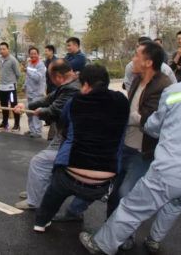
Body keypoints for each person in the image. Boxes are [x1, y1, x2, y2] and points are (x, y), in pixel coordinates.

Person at [81, 64, 181, 255]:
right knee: (175, 205)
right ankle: (154, 240)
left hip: (171, 170)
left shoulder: (176, 91)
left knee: (133, 207)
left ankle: (101, 244)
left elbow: (153, 127)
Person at [58, 41, 173, 250]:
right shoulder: (138, 79)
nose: (133, 59)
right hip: (123, 144)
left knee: (124, 194)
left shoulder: (163, 85)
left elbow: (148, 118)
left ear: (148, 62)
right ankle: (81, 215)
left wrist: (118, 115)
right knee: (107, 186)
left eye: (137, 55)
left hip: (142, 151)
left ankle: (121, 236)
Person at [32, 65, 130, 233]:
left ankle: (41, 221)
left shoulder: (75, 102)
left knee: (54, 190)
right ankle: (112, 231)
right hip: (105, 182)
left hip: (71, 176)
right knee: (110, 186)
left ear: (85, 85)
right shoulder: (122, 102)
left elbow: (63, 120)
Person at [12, 59, 80, 210]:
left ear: (58, 76)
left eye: (51, 77)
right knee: (47, 163)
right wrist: (27, 106)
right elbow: (48, 99)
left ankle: (34, 200)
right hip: (64, 134)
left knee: (39, 162)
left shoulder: (72, 88)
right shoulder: (70, 82)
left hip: (72, 138)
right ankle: (36, 191)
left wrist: (39, 112)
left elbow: (54, 110)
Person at [0, 42, 22, 132]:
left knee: (14, 106)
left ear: (8, 49)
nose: (2, 51)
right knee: (4, 106)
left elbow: (18, 74)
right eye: (0, 49)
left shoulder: (13, 60)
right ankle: (5, 123)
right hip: (1, 87)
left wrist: (13, 82)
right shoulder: (0, 60)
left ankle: (17, 124)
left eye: (4, 49)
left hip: (10, 88)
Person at [22, 47, 46, 138]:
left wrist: (27, 71)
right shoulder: (29, 63)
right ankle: (32, 129)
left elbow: (37, 78)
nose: (33, 55)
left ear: (38, 54)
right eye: (31, 54)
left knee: (36, 112)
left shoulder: (40, 65)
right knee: (29, 112)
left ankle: (38, 131)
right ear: (29, 55)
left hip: (38, 93)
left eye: (35, 54)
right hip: (30, 92)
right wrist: (24, 86)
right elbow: (27, 77)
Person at [43, 45, 57, 140]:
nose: (45, 53)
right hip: (49, 85)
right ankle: (50, 122)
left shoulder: (56, 62)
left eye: (47, 51)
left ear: (51, 51)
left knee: (54, 106)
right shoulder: (46, 61)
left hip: (55, 85)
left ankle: (53, 132)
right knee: (49, 104)